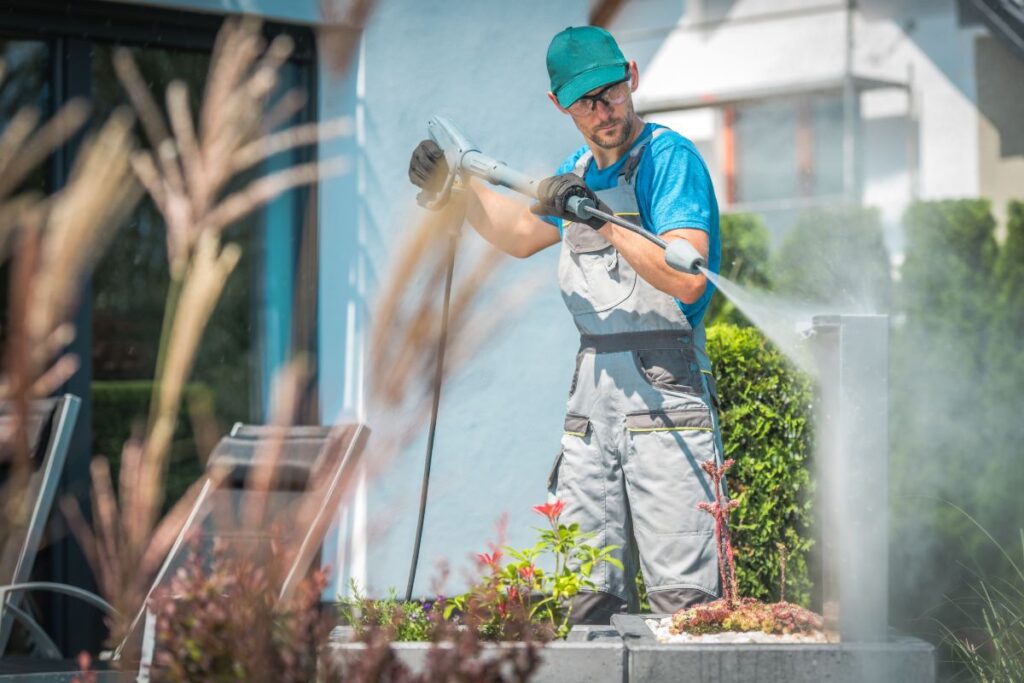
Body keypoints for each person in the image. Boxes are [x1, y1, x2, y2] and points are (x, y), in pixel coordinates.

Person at [407, 25, 724, 624]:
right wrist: (456, 188)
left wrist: (602, 220)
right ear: (559, 105)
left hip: (666, 392)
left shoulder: (667, 159)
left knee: (683, 602)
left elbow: (688, 278)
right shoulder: (577, 167)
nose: (604, 110)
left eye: (611, 91)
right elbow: (521, 234)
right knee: (585, 591)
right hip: (591, 396)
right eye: (586, 101)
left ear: (631, 75)